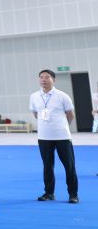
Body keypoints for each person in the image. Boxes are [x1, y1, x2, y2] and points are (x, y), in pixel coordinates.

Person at [31, 70, 79, 203]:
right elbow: (36, 114)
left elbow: (70, 115)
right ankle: (49, 193)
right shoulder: (34, 96)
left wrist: (62, 126)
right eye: (41, 77)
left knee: (69, 166)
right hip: (44, 137)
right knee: (47, 166)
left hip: (62, 136)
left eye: (47, 77)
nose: (43, 80)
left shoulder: (62, 96)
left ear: (54, 80)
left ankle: (73, 194)